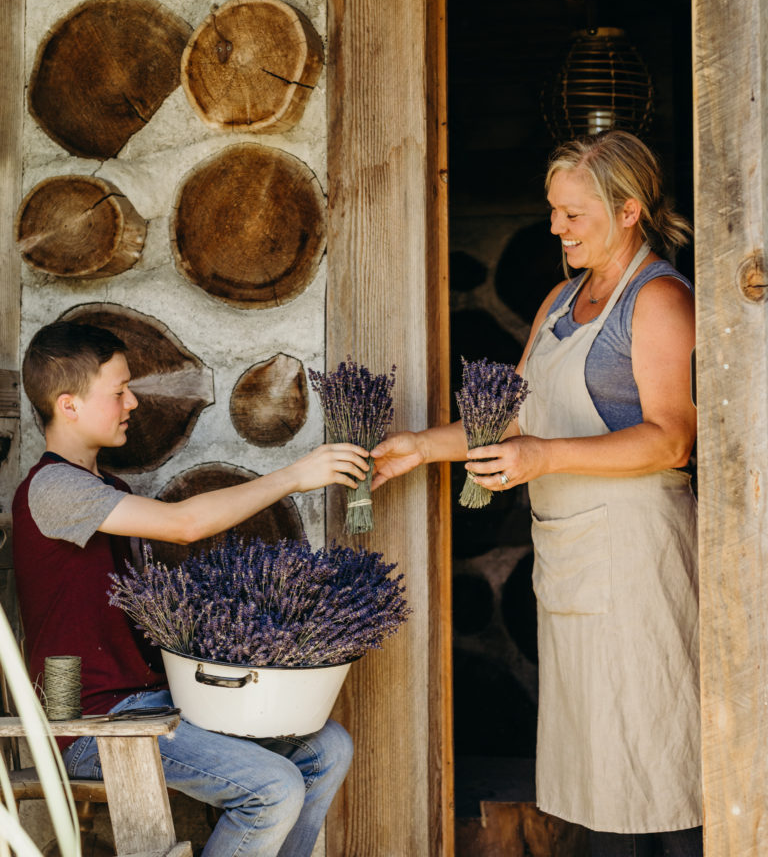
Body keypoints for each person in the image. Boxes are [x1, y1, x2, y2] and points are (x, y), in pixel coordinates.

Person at [372, 130, 702, 857]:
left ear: (628, 211)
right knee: (599, 763)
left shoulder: (660, 301)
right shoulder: (562, 298)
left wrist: (544, 456)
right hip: (577, 557)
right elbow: (513, 418)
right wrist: (422, 447)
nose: (554, 226)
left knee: (656, 755)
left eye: (572, 213)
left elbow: (672, 438)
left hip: (637, 556)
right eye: (553, 210)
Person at [12, 320, 371, 857]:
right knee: (273, 790)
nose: (132, 401)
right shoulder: (52, 488)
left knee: (328, 747)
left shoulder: (108, 489)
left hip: (148, 704)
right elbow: (185, 525)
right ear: (68, 405)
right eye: (118, 391)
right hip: (89, 727)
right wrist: (294, 476)